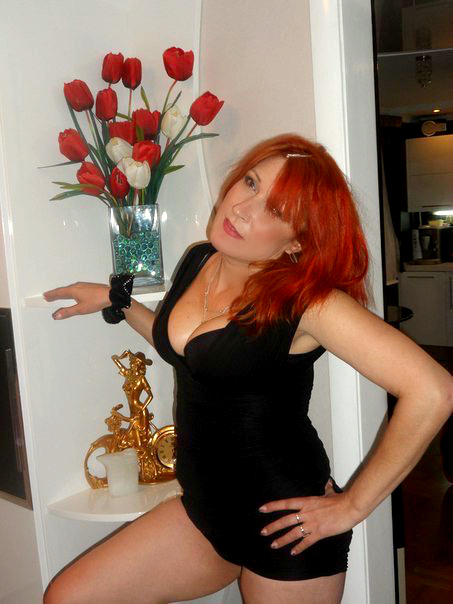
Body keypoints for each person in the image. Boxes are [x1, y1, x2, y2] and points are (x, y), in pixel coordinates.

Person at [43, 133, 452, 604]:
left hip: (286, 530)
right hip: (204, 513)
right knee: (69, 597)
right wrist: (116, 301)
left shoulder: (309, 303)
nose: (241, 207)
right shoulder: (201, 259)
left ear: (297, 240)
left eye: (275, 210)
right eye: (252, 183)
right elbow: (188, 354)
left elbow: (433, 391)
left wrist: (353, 505)